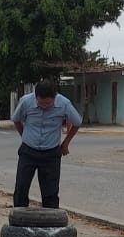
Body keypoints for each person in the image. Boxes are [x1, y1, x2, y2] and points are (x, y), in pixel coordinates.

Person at [12, 79, 82, 208]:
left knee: (50, 191)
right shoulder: (26, 101)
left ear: (55, 97)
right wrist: (24, 136)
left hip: (51, 153)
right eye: (41, 103)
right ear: (36, 96)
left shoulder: (64, 103)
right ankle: (19, 217)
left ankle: (51, 218)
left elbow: (77, 123)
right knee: (21, 187)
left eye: (48, 103)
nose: (44, 106)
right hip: (28, 151)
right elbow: (16, 120)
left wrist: (65, 144)